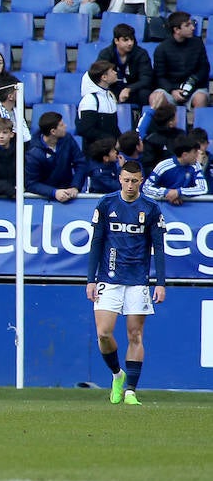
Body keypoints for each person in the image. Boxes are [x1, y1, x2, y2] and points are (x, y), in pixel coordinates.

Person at [87, 160, 165, 406]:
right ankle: (117, 375)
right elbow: (96, 243)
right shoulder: (106, 203)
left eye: (135, 181)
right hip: (108, 278)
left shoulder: (151, 208)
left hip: (137, 281)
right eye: (126, 180)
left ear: (141, 180)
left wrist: (160, 283)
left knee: (135, 334)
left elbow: (159, 248)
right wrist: (91, 279)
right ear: (120, 179)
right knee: (103, 333)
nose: (130, 185)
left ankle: (130, 389)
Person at [150, 11, 209, 109]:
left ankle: (198, 124)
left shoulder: (197, 43)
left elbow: (204, 68)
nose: (193, 28)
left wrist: (192, 81)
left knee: (200, 98)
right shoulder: (162, 49)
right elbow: (160, 77)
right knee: (155, 98)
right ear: (177, 29)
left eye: (192, 24)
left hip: (194, 88)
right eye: (187, 25)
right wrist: (172, 90)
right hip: (171, 90)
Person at [25, 111, 84, 201]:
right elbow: (31, 183)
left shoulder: (67, 139)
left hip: (68, 191)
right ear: (53, 131)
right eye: (61, 125)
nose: (65, 126)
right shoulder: (33, 153)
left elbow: (81, 163)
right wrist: (54, 192)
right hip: (43, 198)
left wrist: (75, 186)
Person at [97, 22, 154, 107]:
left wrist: (129, 89)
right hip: (114, 89)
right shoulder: (106, 54)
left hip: (135, 90)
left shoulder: (141, 54)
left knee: (145, 93)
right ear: (116, 41)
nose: (130, 43)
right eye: (125, 40)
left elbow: (146, 79)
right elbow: (99, 75)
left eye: (132, 39)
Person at [141, 135, 207, 204]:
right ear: (185, 155)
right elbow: (146, 188)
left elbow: (203, 188)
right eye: (195, 152)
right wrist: (167, 192)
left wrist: (179, 192)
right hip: (163, 209)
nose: (198, 155)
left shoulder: (196, 166)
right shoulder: (163, 166)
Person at [78, 61, 121, 148]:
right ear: (104, 77)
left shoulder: (109, 97)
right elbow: (86, 130)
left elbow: (113, 127)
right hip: (96, 152)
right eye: (112, 71)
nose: (115, 72)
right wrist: (112, 140)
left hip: (110, 149)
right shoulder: (90, 100)